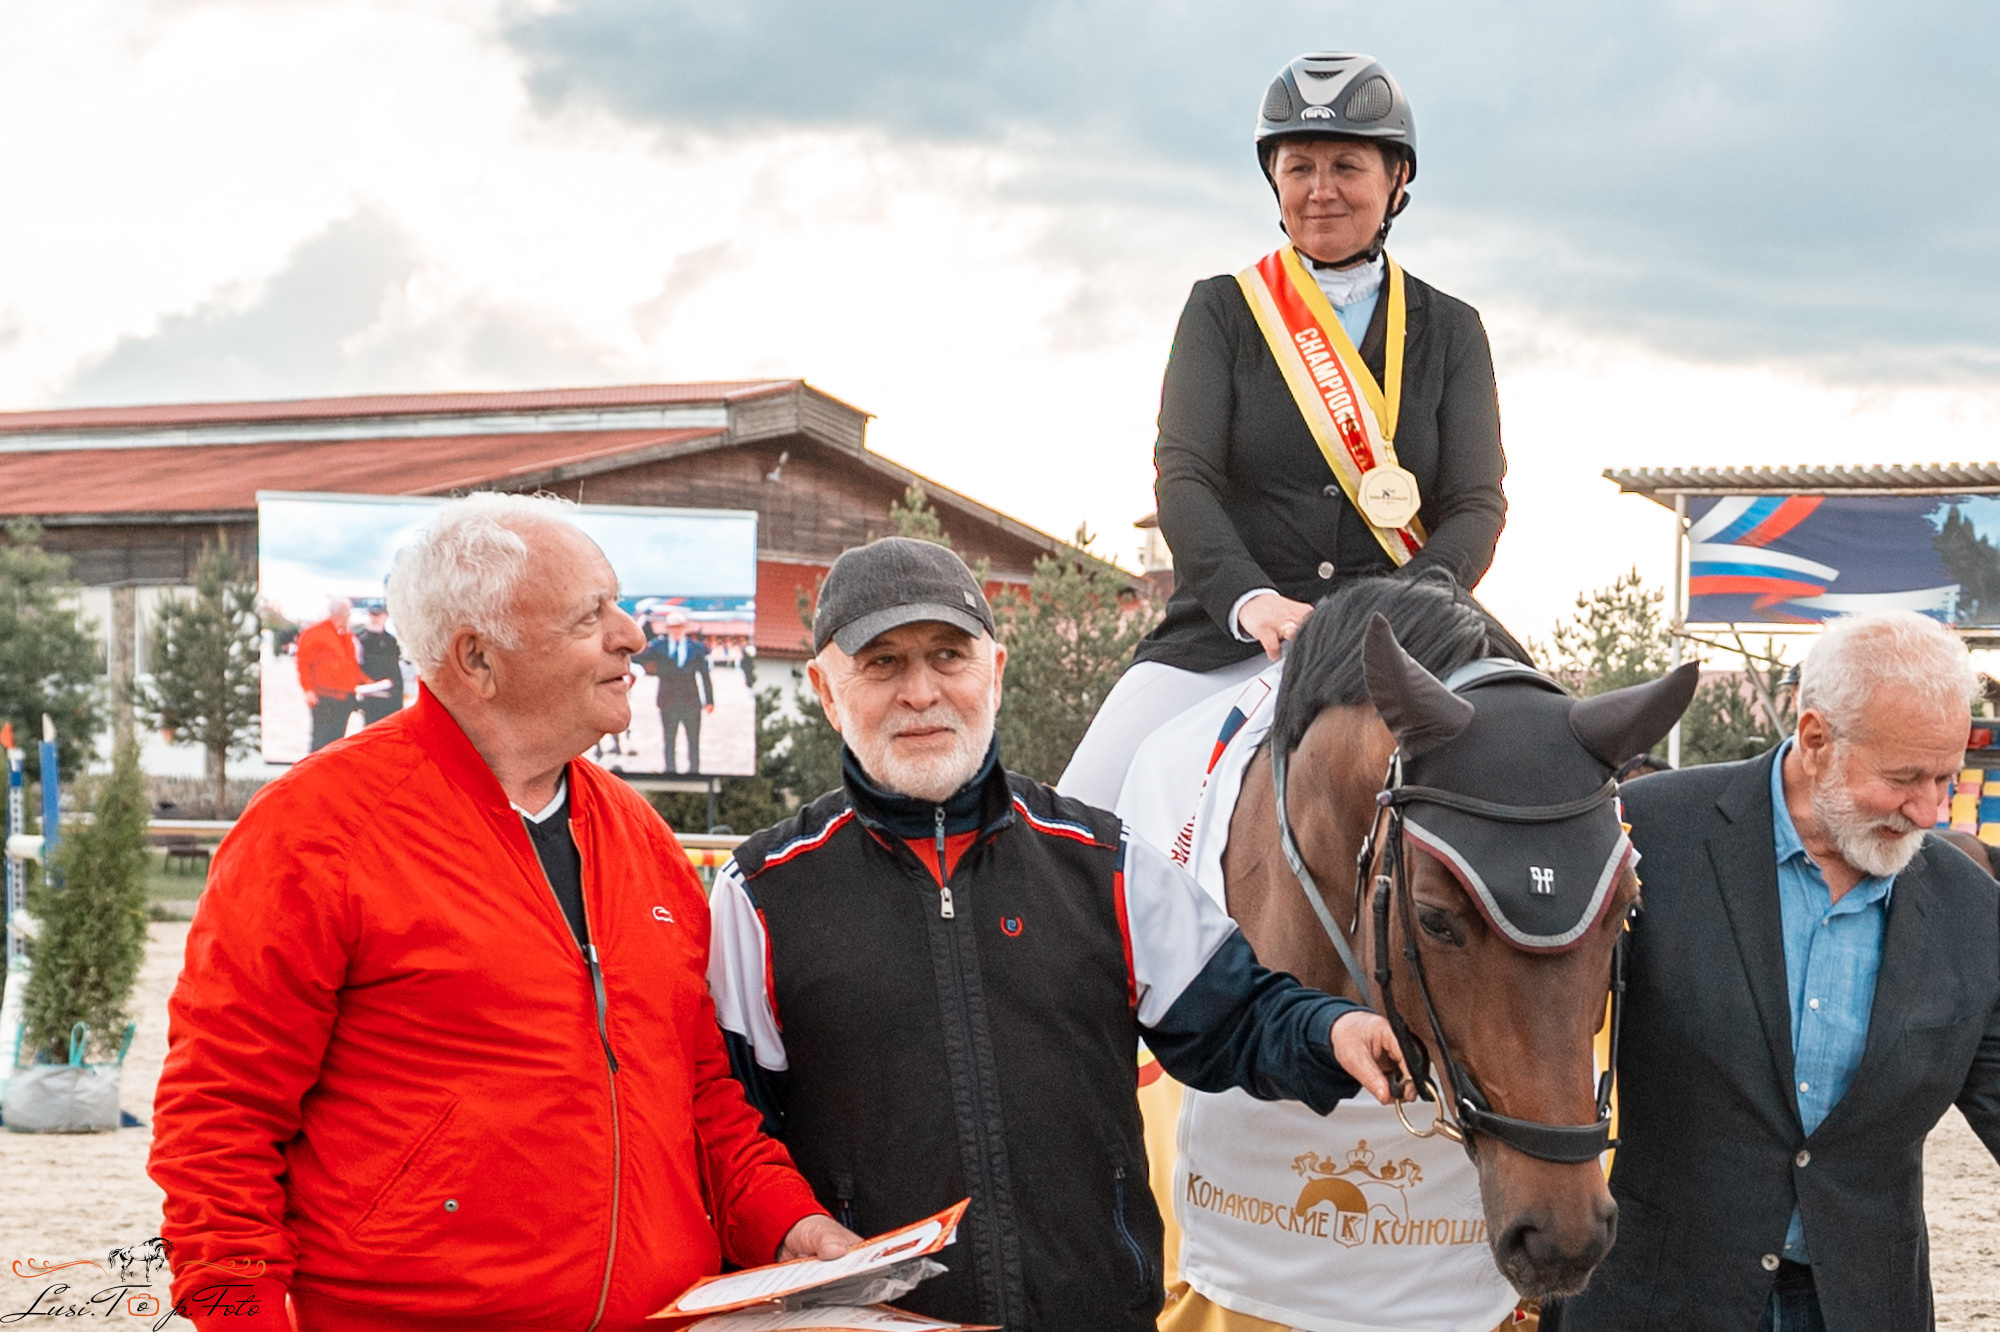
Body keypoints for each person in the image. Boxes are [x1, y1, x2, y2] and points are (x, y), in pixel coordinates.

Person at [150, 493, 854, 1331]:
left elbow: (700, 1102)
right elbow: (215, 1131)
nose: (631, 635)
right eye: (590, 615)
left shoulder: (642, 840)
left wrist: (789, 1224)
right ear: (477, 659)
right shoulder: (313, 834)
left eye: (619, 605)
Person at [709, 537, 1414, 1332]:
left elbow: (1239, 1015)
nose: (921, 692)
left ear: (997, 674)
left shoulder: (1106, 862)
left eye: (949, 655)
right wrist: (792, 1228)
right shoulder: (760, 893)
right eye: (881, 663)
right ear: (826, 693)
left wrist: (1336, 1028)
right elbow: (730, 1121)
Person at [1059, 52, 1507, 808]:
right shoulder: (1222, 311)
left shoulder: (1454, 330)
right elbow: (1186, 477)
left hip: (1406, 636)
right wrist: (1251, 600)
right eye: (1299, 167)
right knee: (1078, 816)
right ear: (1274, 179)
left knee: (1567, 778)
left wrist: (1400, 608)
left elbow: (1475, 505)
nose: (1320, 190)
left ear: (1398, 180)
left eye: (1346, 166)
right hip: (1231, 635)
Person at [1546, 612, 2000, 1330]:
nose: (1930, 809)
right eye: (1905, 778)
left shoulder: (1970, 904)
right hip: (1659, 1297)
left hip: (1860, 1304)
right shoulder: (1644, 834)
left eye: (1947, 776)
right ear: (1816, 739)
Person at [636, 607, 713, 773]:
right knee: (669, 739)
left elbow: (705, 675)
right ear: (669, 629)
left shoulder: (696, 648)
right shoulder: (658, 647)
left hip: (691, 701)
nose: (677, 630)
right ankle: (670, 770)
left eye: (679, 627)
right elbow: (638, 656)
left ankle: (694, 771)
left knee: (693, 740)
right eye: (673, 627)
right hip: (667, 700)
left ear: (684, 628)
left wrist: (710, 700)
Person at [294, 596, 371, 751]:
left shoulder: (347, 636)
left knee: (337, 742)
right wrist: (308, 690)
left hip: (345, 698)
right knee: (320, 740)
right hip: (324, 698)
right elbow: (303, 663)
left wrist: (368, 682)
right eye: (347, 612)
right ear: (338, 613)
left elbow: (351, 665)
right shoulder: (314, 633)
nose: (349, 616)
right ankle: (315, 774)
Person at [354, 604, 405, 726]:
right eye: (372, 614)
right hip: (370, 694)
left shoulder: (392, 641)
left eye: (378, 615)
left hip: (391, 695)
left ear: (385, 616)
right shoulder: (359, 639)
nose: (375, 618)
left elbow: (396, 667)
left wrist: (397, 690)